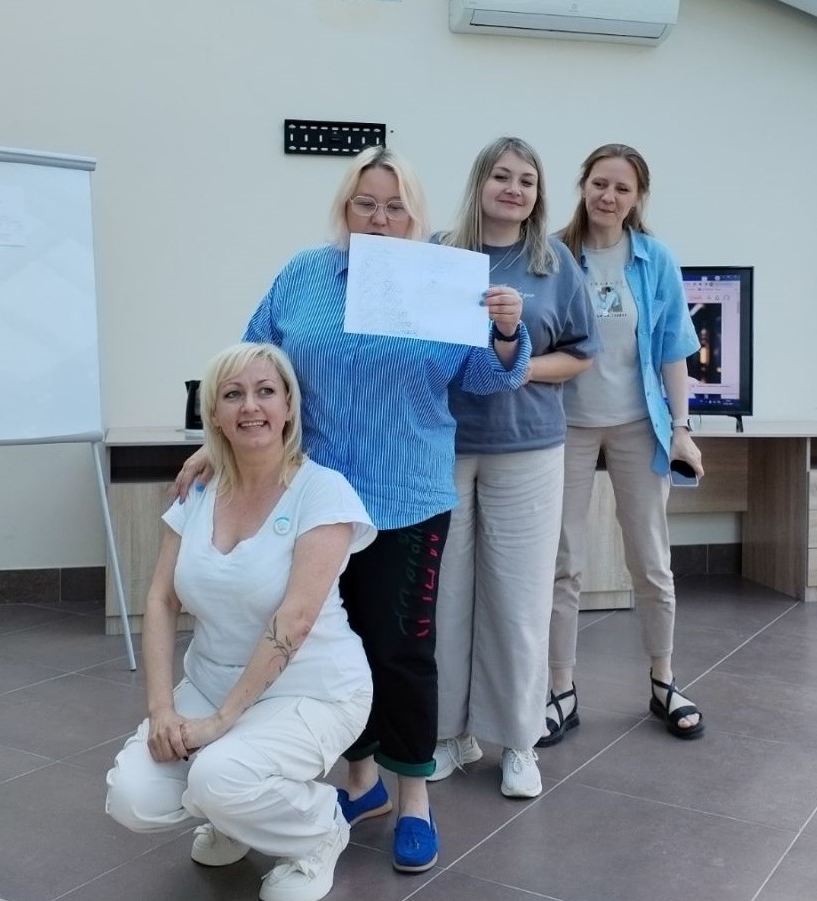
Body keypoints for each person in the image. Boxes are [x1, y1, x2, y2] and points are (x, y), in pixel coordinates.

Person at [172, 145, 530, 873]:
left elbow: (489, 380)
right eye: (365, 203)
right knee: (334, 646)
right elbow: (254, 363)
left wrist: (503, 331)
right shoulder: (304, 274)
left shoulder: (443, 279)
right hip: (313, 497)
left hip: (408, 497)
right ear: (344, 208)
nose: (379, 217)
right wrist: (216, 442)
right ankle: (362, 784)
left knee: (402, 649)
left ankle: (414, 799)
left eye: (395, 206)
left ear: (415, 215)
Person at [106, 342, 377, 901]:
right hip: (211, 681)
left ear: (288, 407)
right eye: (233, 395)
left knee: (217, 776)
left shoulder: (322, 491)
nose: (250, 406)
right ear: (214, 414)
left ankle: (320, 829)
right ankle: (234, 817)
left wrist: (219, 724)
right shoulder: (199, 492)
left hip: (314, 689)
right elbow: (161, 599)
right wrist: (162, 711)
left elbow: (296, 619)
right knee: (134, 798)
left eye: (265, 392)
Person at [428, 137, 598, 797]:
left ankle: (519, 741)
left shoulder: (554, 263)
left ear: (538, 194)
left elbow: (580, 353)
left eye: (526, 180)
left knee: (519, 600)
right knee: (445, 596)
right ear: (480, 183)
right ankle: (449, 733)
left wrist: (517, 368)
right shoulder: (440, 253)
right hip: (443, 446)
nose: (513, 188)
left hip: (528, 447)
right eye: (501, 176)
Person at [539, 143, 706, 748]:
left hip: (639, 421)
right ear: (583, 185)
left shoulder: (654, 259)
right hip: (565, 424)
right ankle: (561, 690)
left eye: (622, 189)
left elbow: (673, 349)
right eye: (599, 184)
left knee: (652, 562)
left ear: (638, 199)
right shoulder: (552, 253)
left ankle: (664, 682)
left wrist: (682, 428)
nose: (608, 197)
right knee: (563, 562)